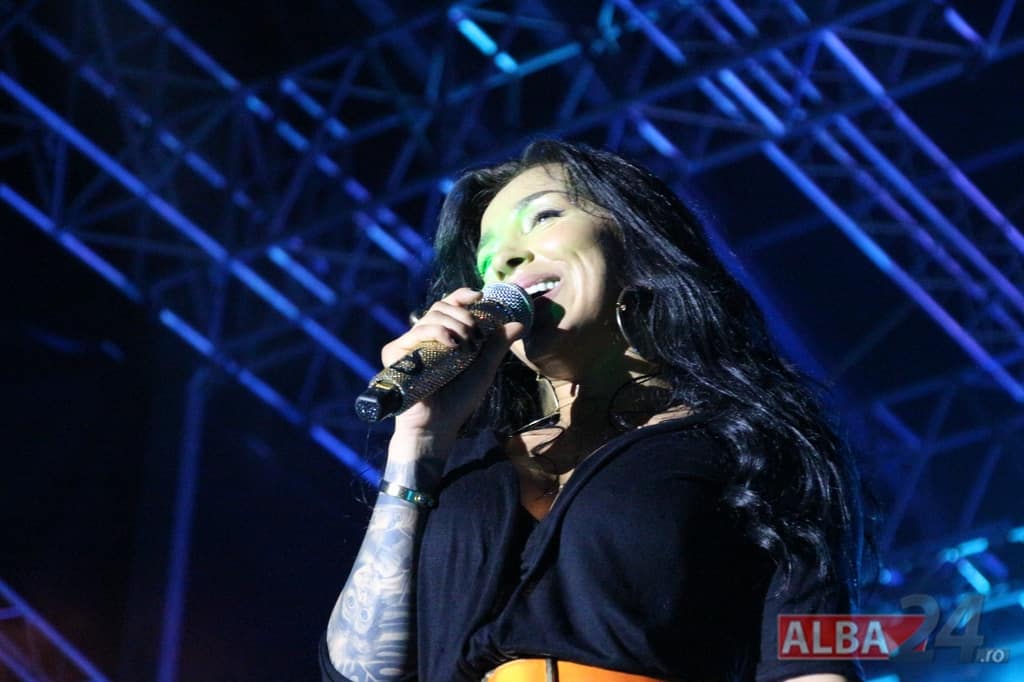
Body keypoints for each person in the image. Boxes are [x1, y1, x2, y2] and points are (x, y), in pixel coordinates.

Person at [320, 139, 867, 682]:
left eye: (544, 217)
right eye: (488, 257)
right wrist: (418, 441)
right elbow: (359, 675)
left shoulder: (748, 437)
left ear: (634, 235)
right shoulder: (464, 464)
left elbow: (811, 663)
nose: (502, 260)